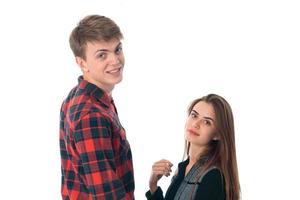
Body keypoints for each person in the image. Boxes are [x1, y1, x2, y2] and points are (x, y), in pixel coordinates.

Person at [59, 15, 134, 200]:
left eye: (118, 50)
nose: (115, 60)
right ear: (82, 63)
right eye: (102, 55)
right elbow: (107, 196)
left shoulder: (79, 95)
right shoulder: (91, 115)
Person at [146, 94, 240, 200]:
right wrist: (153, 185)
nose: (196, 124)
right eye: (194, 115)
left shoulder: (213, 177)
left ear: (217, 134)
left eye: (206, 122)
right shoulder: (184, 167)